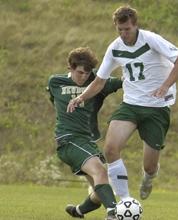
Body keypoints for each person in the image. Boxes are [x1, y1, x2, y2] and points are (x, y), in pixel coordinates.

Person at [67, 6, 178, 201]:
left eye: (127, 29)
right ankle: (125, 201)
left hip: (157, 108)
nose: (123, 34)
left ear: (136, 25)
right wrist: (81, 97)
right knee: (110, 149)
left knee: (149, 167)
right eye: (119, 30)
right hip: (130, 105)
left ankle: (148, 179)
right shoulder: (115, 48)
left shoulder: (151, 39)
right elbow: (99, 82)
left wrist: (165, 86)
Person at [46, 47, 123, 220]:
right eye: (80, 72)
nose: (84, 77)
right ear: (71, 68)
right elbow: (55, 103)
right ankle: (114, 214)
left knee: (100, 191)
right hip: (67, 140)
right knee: (101, 171)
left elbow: (121, 81)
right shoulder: (56, 82)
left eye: (87, 73)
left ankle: (77, 211)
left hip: (87, 142)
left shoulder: (97, 82)